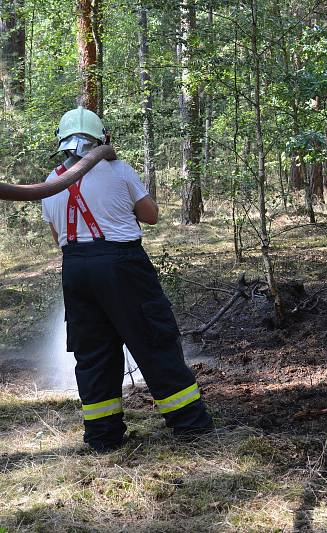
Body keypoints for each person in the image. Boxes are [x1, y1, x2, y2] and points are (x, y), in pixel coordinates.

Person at [42, 107, 213, 452]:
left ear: (62, 142)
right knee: (153, 339)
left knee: (93, 353)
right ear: (102, 138)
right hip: (122, 265)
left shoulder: (49, 182)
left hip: (76, 269)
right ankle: (191, 426)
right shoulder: (118, 170)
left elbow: (56, 233)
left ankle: (103, 437)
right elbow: (150, 216)